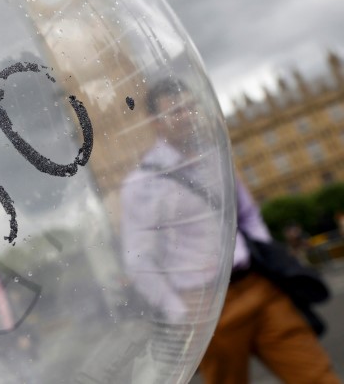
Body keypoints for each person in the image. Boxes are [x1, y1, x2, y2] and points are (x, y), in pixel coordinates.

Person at [121, 78, 339, 383]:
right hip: (206, 308)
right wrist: (179, 313)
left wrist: (263, 254)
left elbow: (248, 215)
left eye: (190, 107)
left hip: (259, 286)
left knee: (318, 376)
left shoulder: (215, 157)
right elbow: (139, 259)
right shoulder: (141, 185)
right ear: (156, 123)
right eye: (176, 111)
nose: (187, 116)